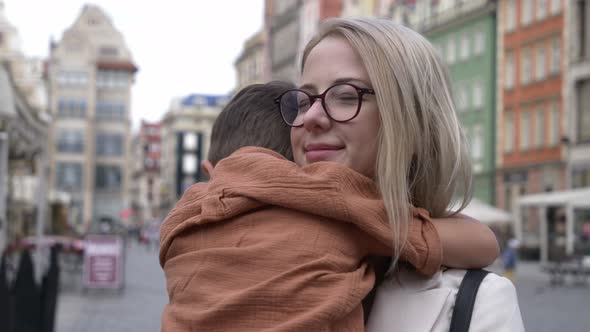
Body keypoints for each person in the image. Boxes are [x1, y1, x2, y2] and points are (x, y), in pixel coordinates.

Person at [160, 76, 499, 330]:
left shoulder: (182, 224)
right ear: (302, 168)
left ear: (209, 172)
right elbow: (483, 244)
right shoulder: (329, 206)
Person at [287, 17, 522, 330]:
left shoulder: (476, 301)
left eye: (346, 96)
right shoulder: (244, 241)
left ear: (411, 120)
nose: (312, 116)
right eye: (304, 100)